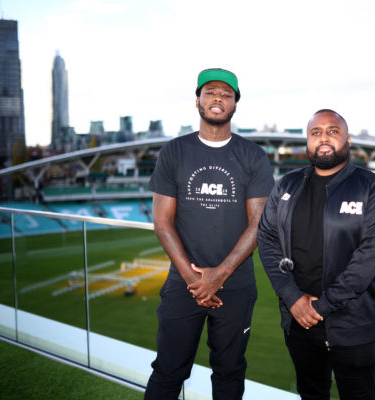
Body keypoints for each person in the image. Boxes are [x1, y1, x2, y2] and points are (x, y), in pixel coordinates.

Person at [144, 68, 274, 400]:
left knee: (229, 372)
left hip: (236, 284)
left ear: (235, 104)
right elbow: (162, 222)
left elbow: (258, 223)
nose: (218, 98)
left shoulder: (253, 156)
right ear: (198, 100)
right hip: (183, 283)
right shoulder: (174, 151)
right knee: (168, 370)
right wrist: (194, 278)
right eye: (211, 92)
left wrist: (220, 275)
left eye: (226, 94)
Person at [257, 109, 375, 400]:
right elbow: (267, 238)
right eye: (315, 132)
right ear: (307, 141)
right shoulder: (286, 185)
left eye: (332, 131)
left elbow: (370, 256)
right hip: (298, 322)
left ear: (348, 139)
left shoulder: (371, 187)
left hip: (353, 325)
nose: (323, 138)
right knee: (311, 394)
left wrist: (321, 307)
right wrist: (292, 298)